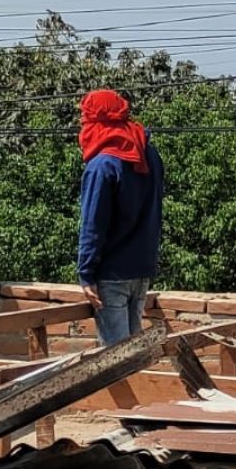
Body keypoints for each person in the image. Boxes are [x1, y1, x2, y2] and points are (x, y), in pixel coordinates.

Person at [77, 88, 164, 347]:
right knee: (134, 353)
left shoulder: (102, 165)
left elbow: (92, 225)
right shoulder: (150, 154)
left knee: (114, 360)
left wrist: (86, 273)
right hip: (141, 269)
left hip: (112, 274)